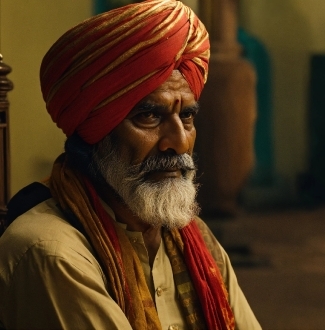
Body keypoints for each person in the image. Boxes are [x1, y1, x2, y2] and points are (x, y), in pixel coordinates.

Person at [0, 1, 261, 329]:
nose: (179, 142)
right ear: (97, 129)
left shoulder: (194, 240)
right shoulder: (51, 252)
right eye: (149, 116)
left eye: (187, 116)